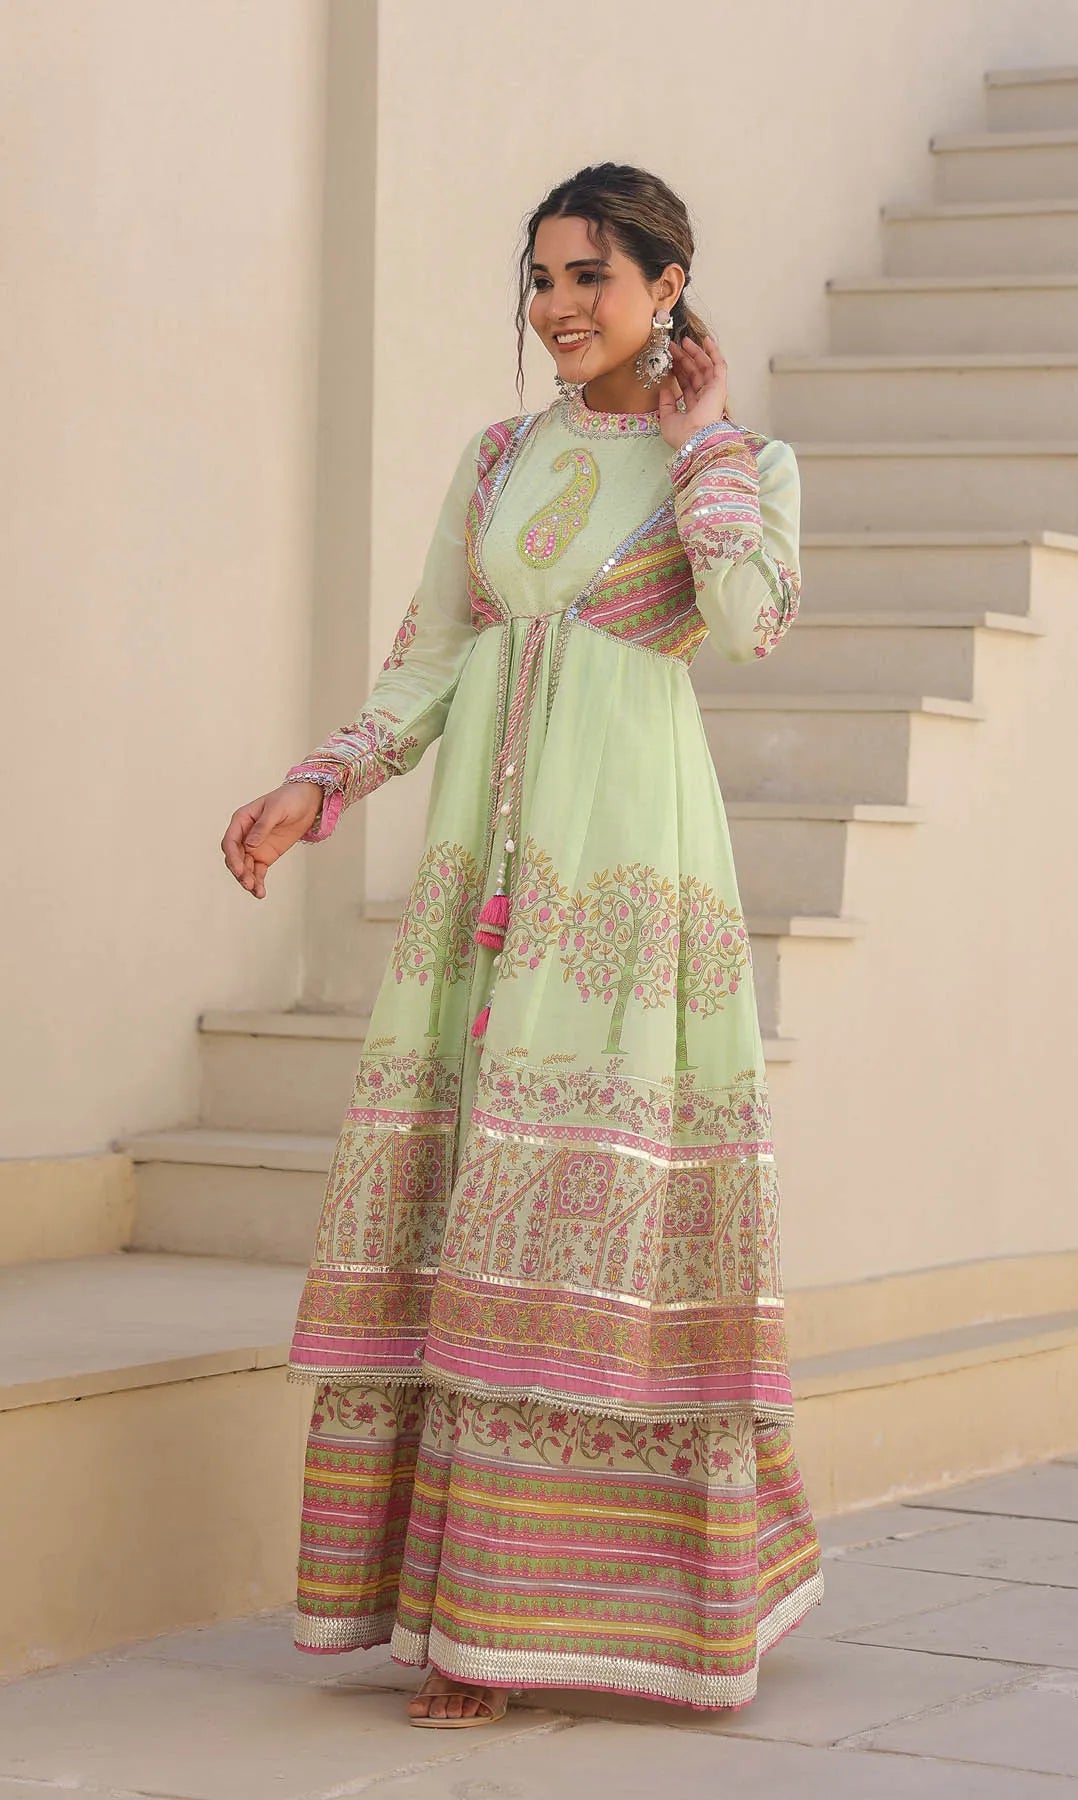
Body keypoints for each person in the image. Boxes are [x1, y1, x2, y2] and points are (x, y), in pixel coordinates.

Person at [221, 161, 823, 1728]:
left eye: (589, 280)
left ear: (666, 284)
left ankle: (565, 1625)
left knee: (568, 1220)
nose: (556, 310)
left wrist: (700, 450)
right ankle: (458, 1622)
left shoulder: (746, 459)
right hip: (482, 884)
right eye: (540, 281)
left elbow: (749, 624)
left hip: (627, 874)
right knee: (467, 1219)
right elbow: (427, 656)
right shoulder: (497, 459)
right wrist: (318, 783)